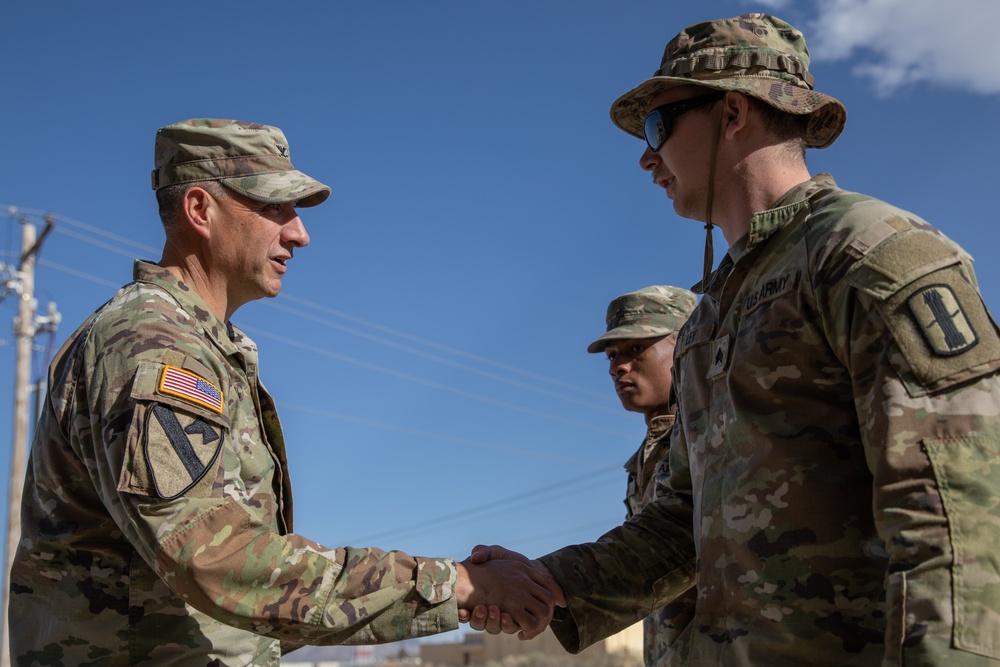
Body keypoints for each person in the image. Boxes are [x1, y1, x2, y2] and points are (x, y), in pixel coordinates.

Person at [468, 13, 1000, 665]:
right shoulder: (707, 319)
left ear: (734, 112)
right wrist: (544, 582)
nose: (646, 156)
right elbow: (676, 527)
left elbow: (958, 511)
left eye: (658, 126)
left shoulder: (869, 253)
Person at [8, 118, 562, 666]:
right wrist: (458, 585)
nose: (298, 233)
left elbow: (236, 599)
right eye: (274, 207)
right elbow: (217, 561)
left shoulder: (197, 343)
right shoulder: (152, 344)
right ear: (200, 210)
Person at [587, 285, 697, 666]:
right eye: (614, 355)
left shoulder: (715, 433)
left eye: (637, 349)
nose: (618, 366)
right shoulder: (644, 458)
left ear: (686, 344)